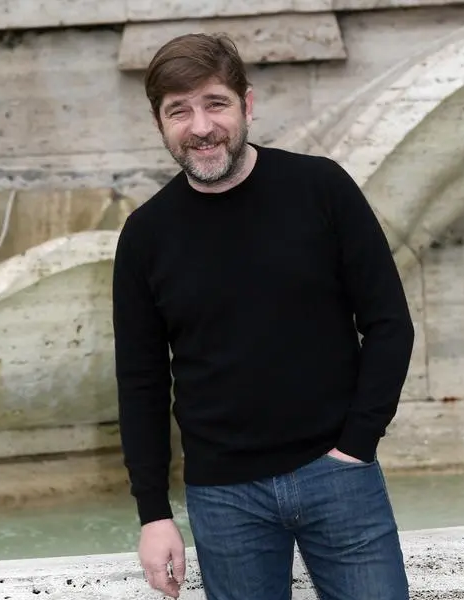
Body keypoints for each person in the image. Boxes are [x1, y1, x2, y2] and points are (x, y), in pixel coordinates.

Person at [112, 32, 415, 600]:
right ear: (159, 123)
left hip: (339, 476)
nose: (201, 126)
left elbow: (389, 323)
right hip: (224, 498)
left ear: (247, 104)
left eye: (216, 104)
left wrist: (357, 444)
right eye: (180, 111)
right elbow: (141, 382)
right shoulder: (146, 236)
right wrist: (153, 514)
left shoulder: (321, 188)